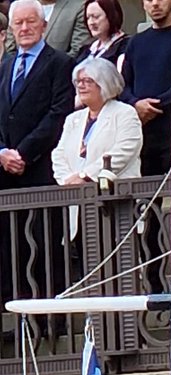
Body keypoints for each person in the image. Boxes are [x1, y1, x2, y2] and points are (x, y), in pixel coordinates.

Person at [0, 0, 74, 305]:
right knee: (10, 248)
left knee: (45, 246)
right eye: (18, 23)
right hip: (5, 175)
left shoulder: (60, 63)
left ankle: (51, 315)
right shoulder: (5, 66)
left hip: (42, 169)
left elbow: (58, 114)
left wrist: (23, 153)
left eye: (31, 21)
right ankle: (15, 312)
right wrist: (2, 152)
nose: (25, 28)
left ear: (43, 25)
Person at [52, 58, 142, 237]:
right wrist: (67, 180)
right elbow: (58, 154)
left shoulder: (125, 113)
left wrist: (85, 176)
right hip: (79, 202)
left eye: (88, 81)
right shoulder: (73, 119)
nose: (81, 86)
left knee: (118, 251)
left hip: (115, 201)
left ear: (105, 83)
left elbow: (124, 151)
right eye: (78, 81)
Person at [120, 0, 171, 177]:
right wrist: (136, 104)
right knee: (146, 188)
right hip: (142, 128)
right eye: (149, 0)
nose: (155, 4)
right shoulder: (136, 42)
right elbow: (124, 84)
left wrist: (153, 106)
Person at [6, 0, 86, 56]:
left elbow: (78, 51)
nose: (24, 28)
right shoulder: (19, 6)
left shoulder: (78, 6)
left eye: (31, 21)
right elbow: (10, 50)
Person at [74, 0, 128, 72]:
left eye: (96, 17)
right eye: (88, 18)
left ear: (111, 16)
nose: (91, 22)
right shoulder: (85, 50)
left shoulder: (126, 47)